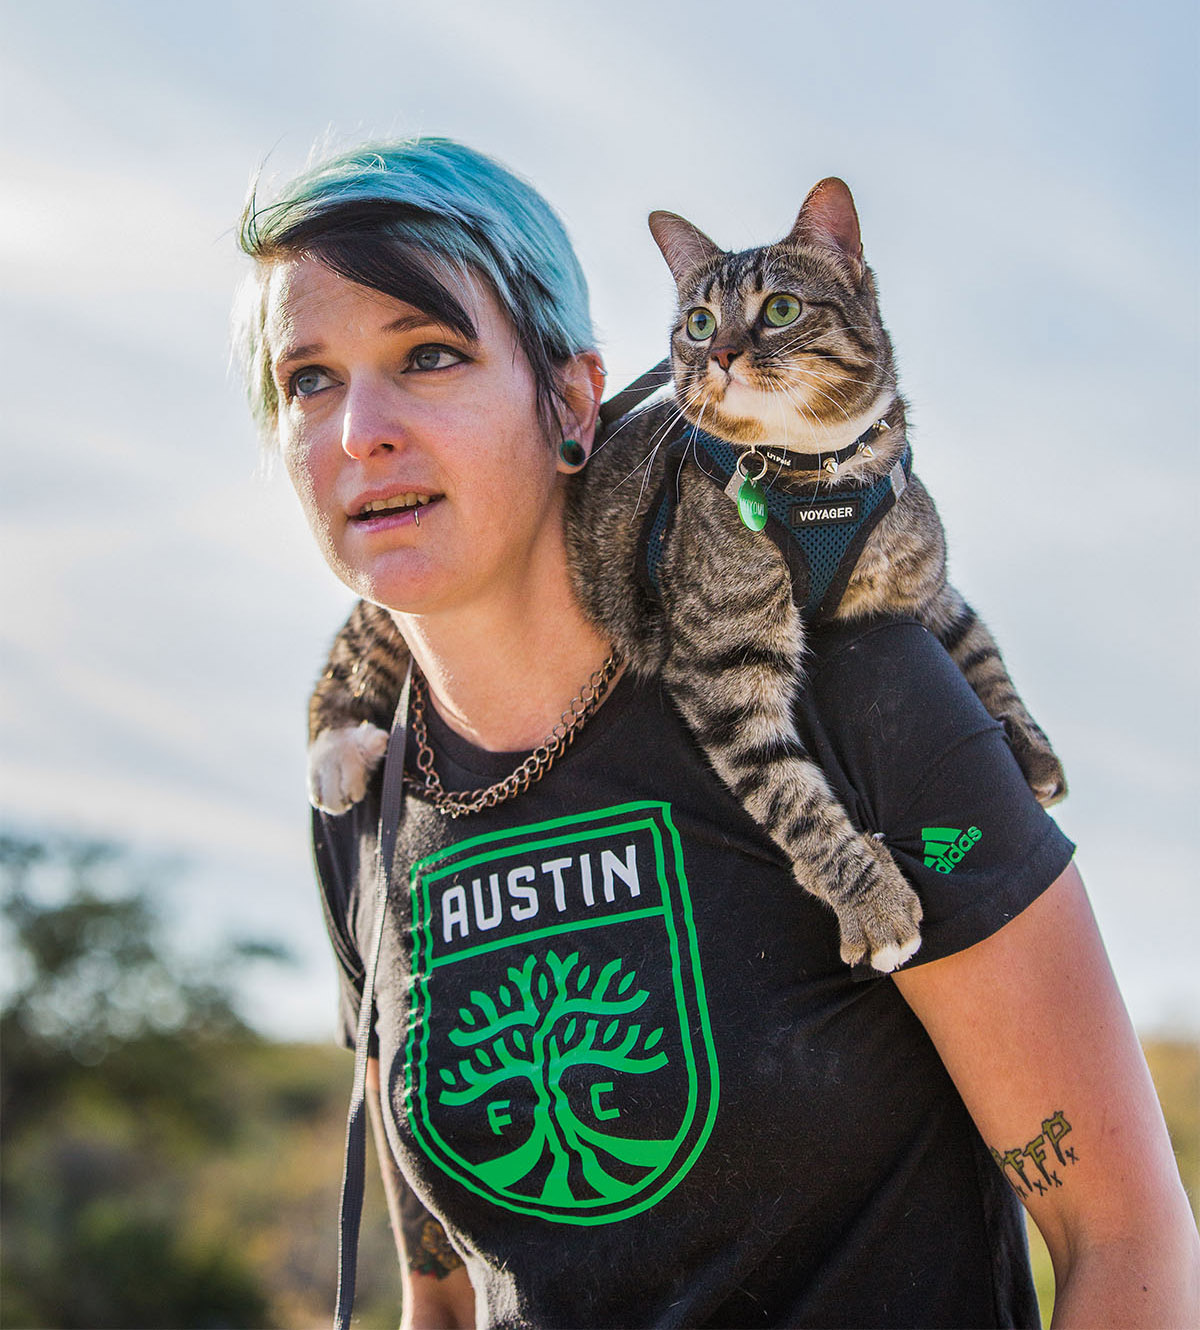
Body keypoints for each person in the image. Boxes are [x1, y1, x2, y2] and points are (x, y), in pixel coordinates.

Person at [235, 138, 1199, 1328]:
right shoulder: (367, 803)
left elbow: (1128, 1239)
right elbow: (441, 1300)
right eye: (308, 380)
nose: (357, 432)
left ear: (575, 400)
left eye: (428, 355)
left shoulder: (862, 695)